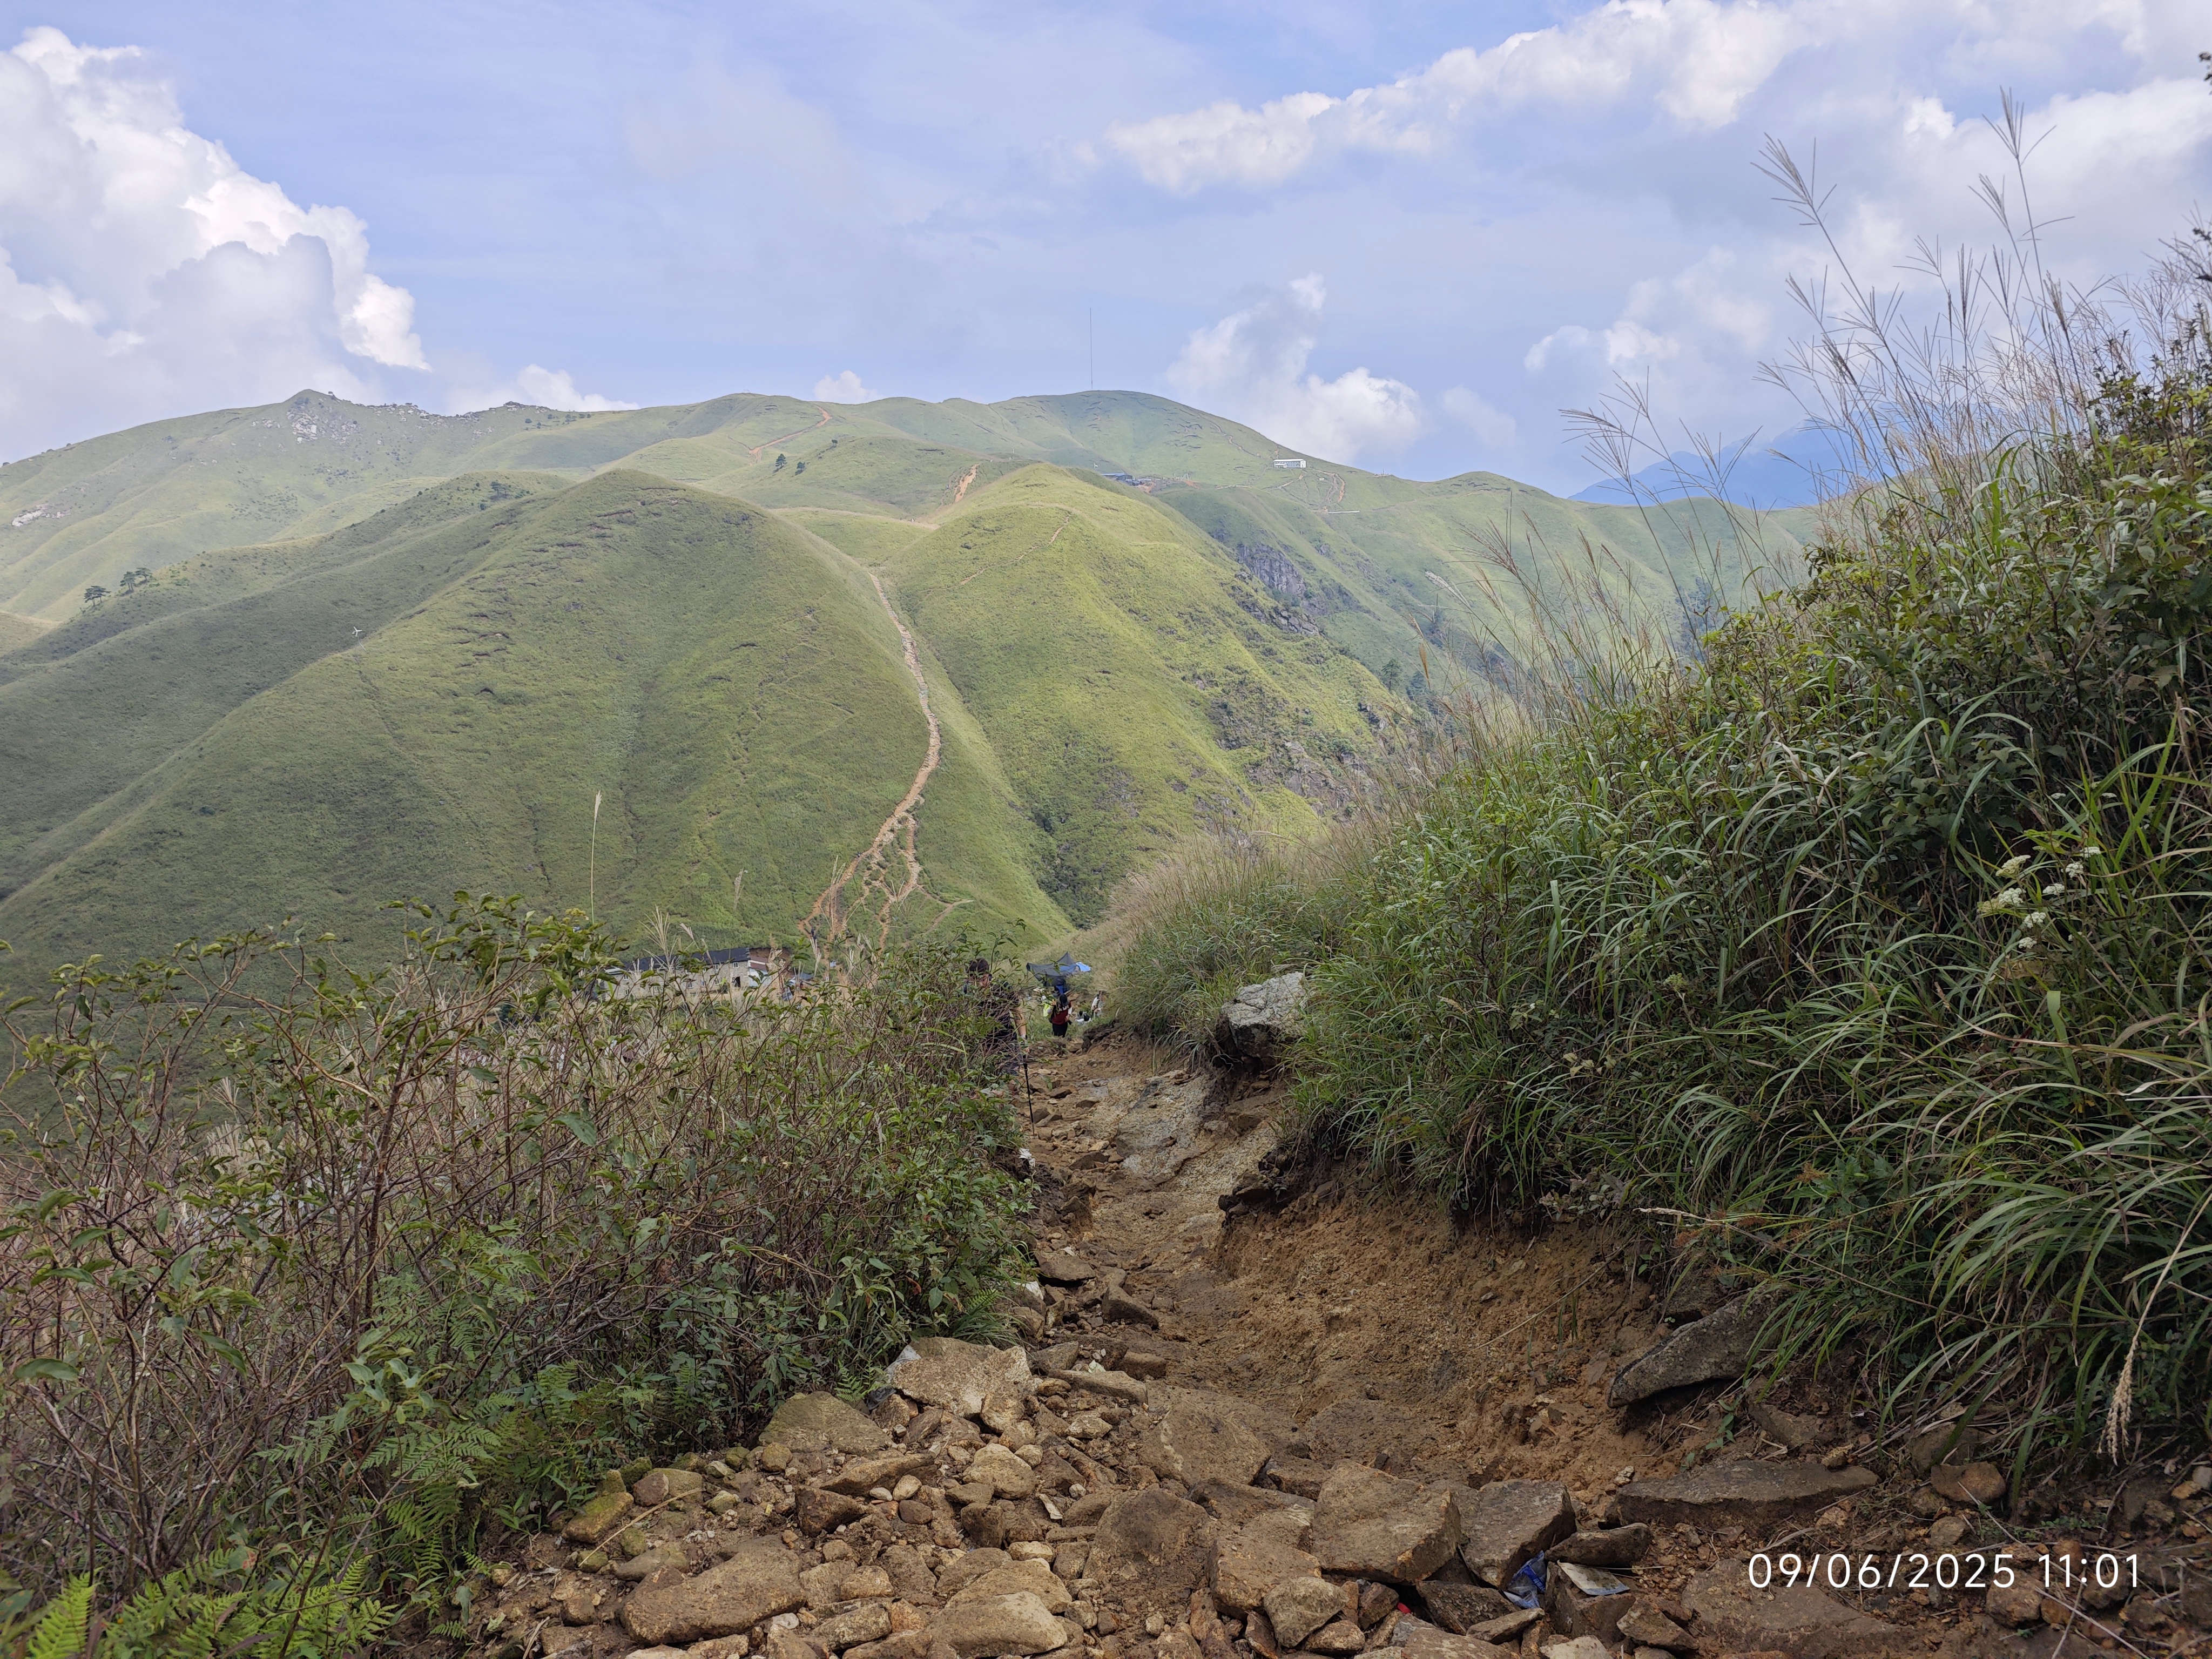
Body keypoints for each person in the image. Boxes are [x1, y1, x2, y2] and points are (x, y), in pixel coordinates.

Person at [968, 956, 1024, 1076]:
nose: (980, 984)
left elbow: (1017, 1012)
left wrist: (1024, 1039)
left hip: (1007, 1040)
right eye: (975, 980)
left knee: (1010, 1078)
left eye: (983, 979)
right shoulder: (967, 992)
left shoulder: (1002, 988)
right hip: (983, 1044)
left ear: (988, 974)